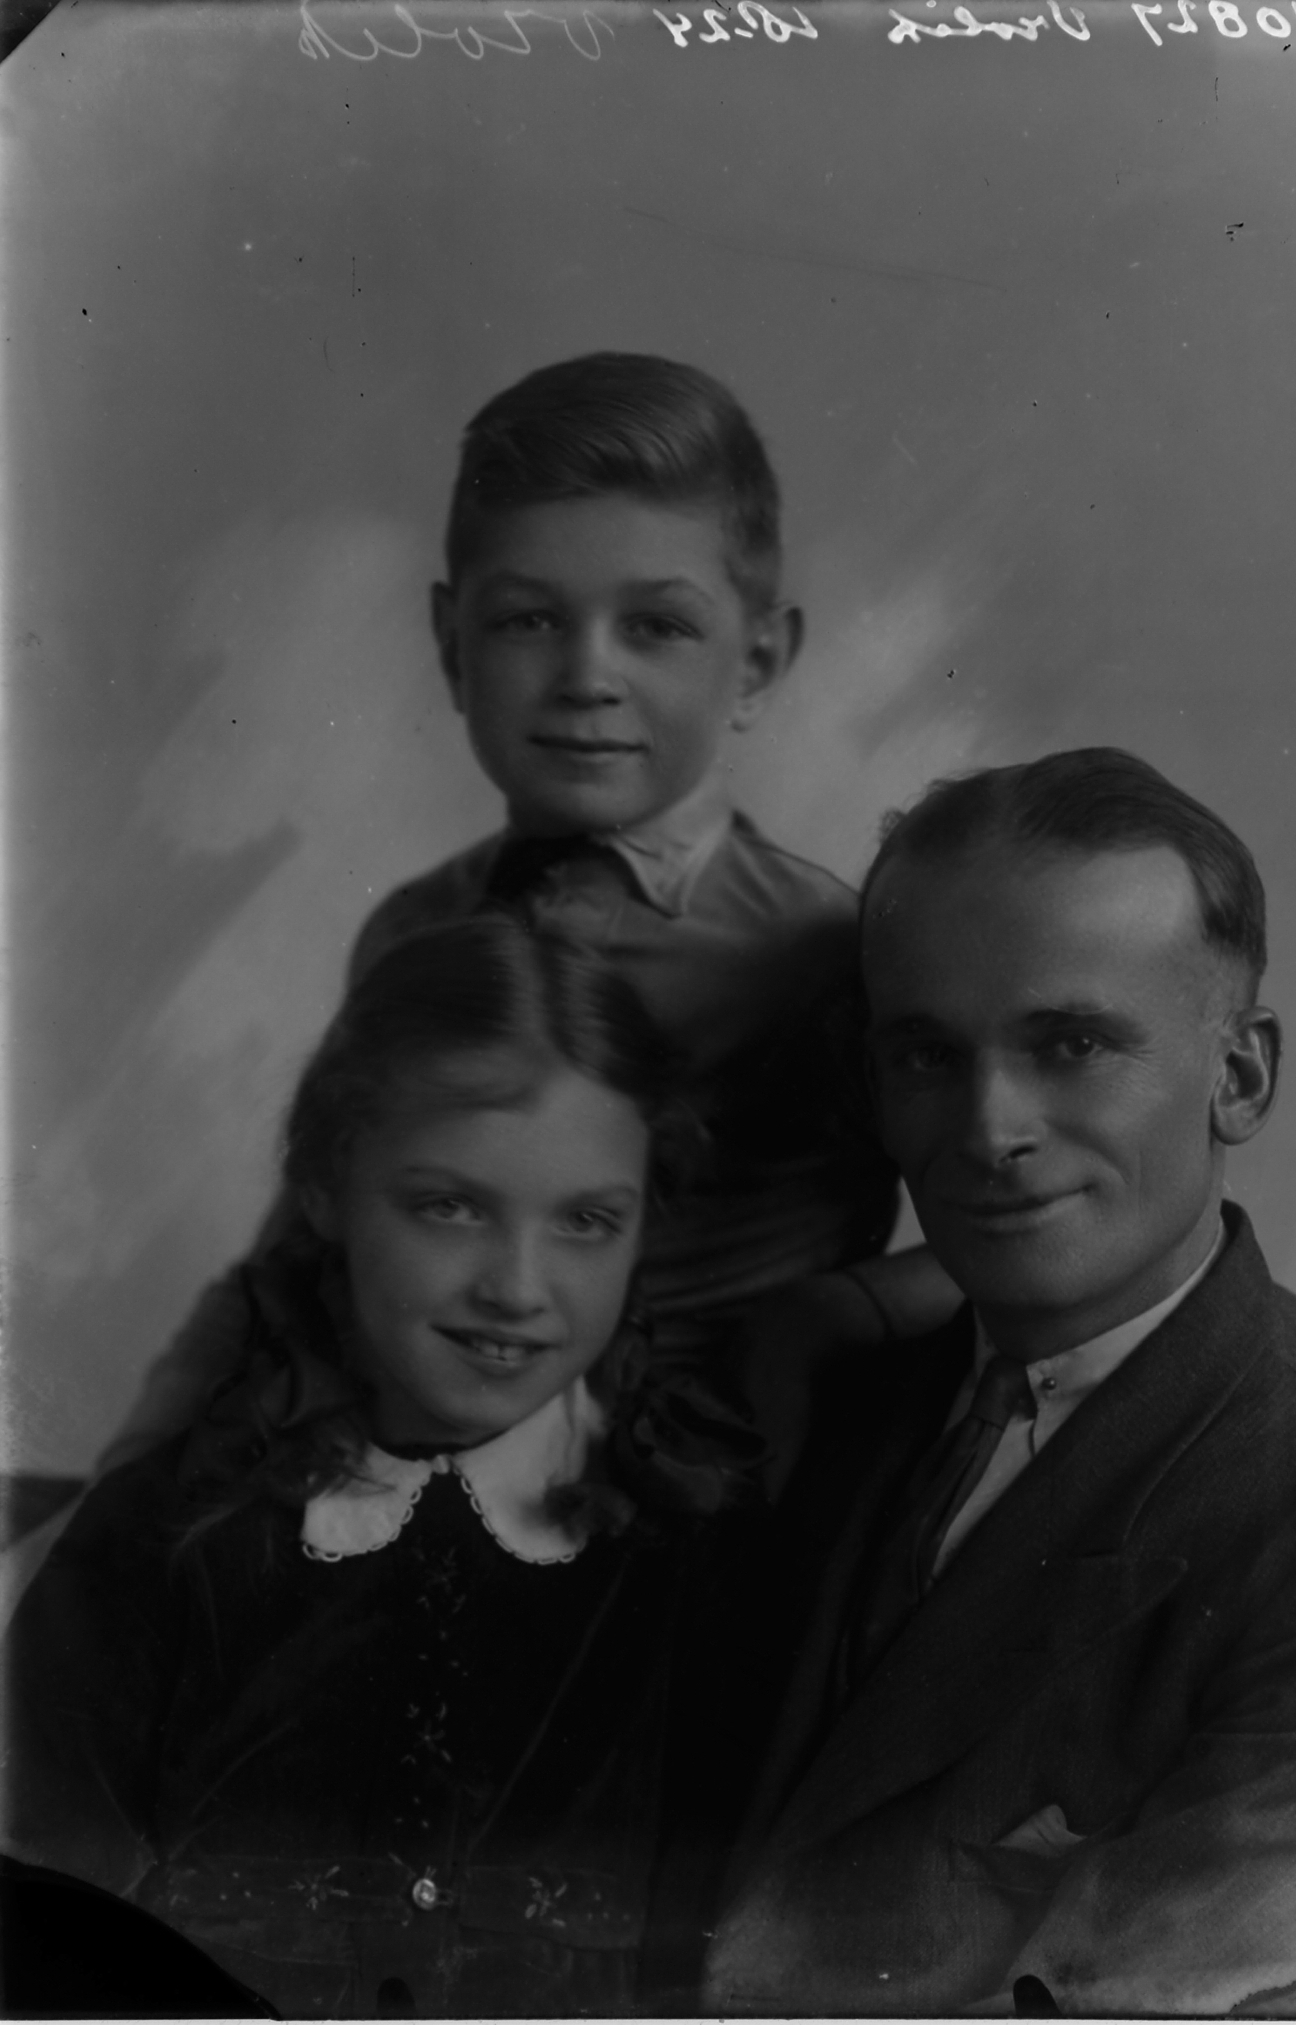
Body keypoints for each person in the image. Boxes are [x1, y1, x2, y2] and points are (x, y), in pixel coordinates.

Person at [97, 351, 958, 1477]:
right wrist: (122, 1488)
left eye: (656, 627)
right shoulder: (418, 929)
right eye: (529, 620)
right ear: (452, 647)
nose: (586, 677)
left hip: (698, 1501)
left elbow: (996, 1230)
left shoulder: (824, 953)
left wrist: (820, 1320)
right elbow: (298, 1260)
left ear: (756, 663)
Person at [703, 749, 1296, 2017]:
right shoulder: (842, 1392)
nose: (989, 1129)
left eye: (1073, 1045)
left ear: (1240, 1078)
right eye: (928, 1056)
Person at [5, 915, 768, 2019]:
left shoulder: (701, 1550)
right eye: (449, 1206)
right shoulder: (164, 1530)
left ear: (649, 1219)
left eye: (586, 1222)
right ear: (326, 1186)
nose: (517, 1287)